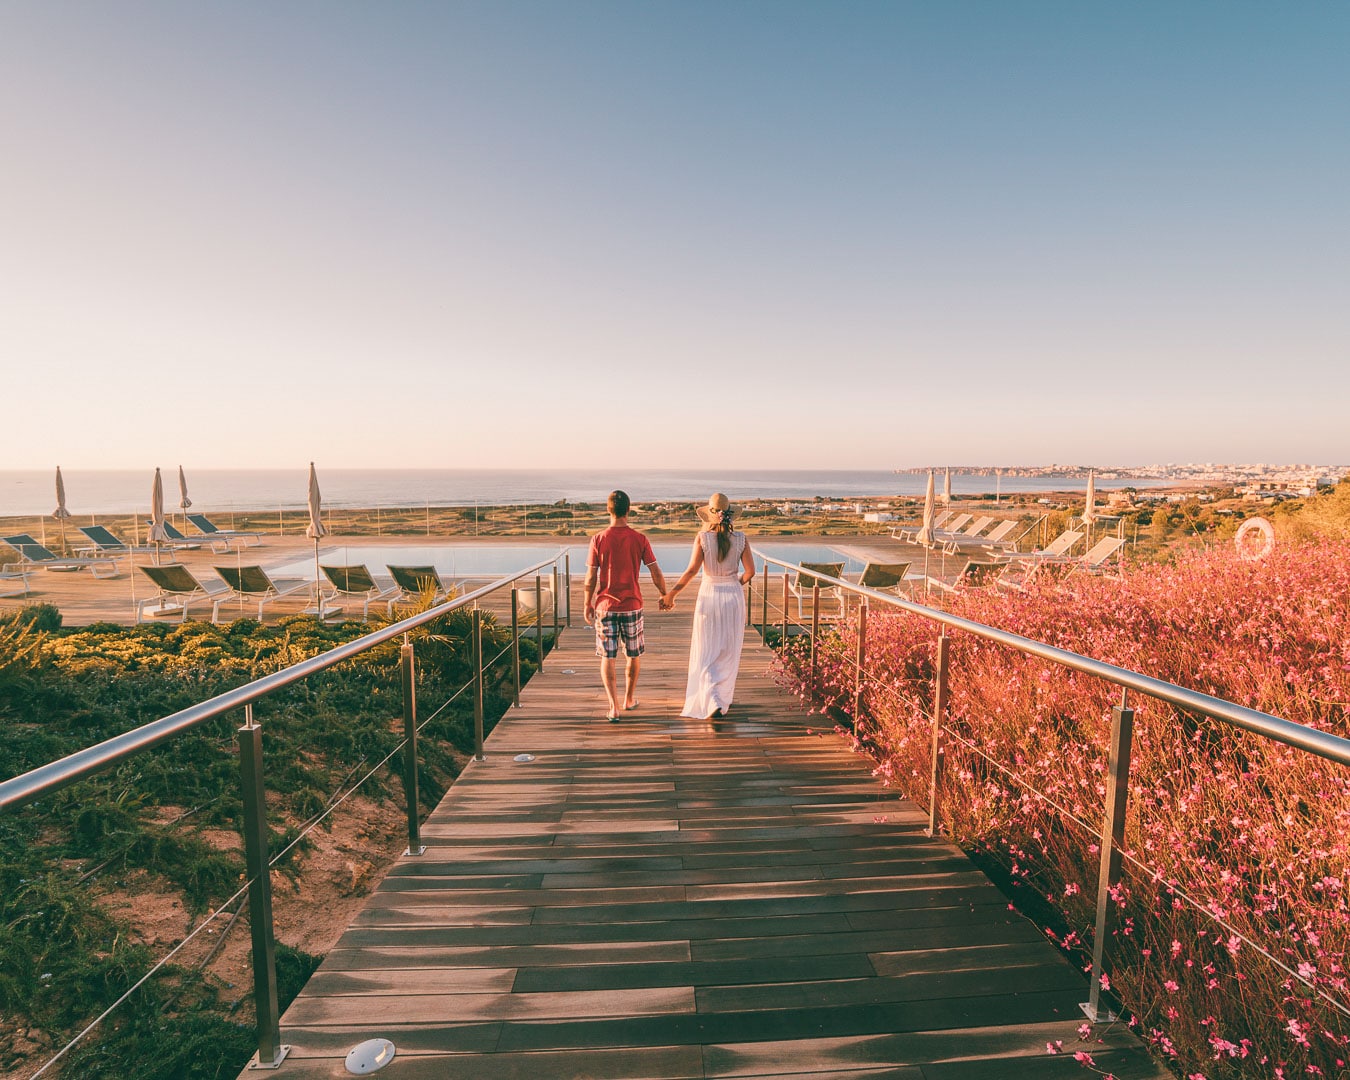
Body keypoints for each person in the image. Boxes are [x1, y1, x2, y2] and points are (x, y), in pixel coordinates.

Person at [662, 493, 755, 719]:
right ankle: (720, 699)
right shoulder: (741, 539)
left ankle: (711, 698)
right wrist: (734, 584)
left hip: (709, 595)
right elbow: (750, 572)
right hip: (733, 597)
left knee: (707, 649)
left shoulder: (702, 538)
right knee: (727, 650)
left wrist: (672, 593)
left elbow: (692, 570)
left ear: (710, 515)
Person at [582, 490, 669, 722]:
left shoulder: (598, 539)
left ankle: (613, 708)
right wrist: (664, 594)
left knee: (607, 657)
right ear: (629, 511)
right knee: (633, 654)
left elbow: (590, 578)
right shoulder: (639, 539)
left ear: (608, 510)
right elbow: (655, 571)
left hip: (605, 607)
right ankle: (628, 699)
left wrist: (587, 604)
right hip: (632, 606)